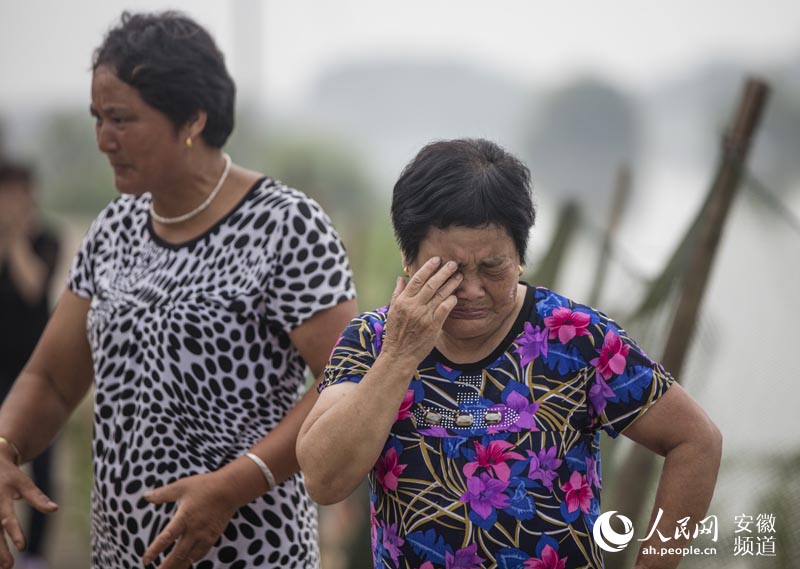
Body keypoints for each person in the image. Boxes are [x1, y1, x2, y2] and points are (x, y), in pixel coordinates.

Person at [0, 11, 357, 569]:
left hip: (249, 551)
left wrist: (233, 486)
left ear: (192, 118)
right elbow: (49, 379)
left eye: (121, 119)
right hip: (122, 554)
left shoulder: (285, 225)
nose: (103, 139)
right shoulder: (114, 228)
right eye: (97, 118)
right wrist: (5, 447)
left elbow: (344, 379)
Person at [297, 138, 723, 569]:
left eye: (492, 267)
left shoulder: (574, 338)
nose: (472, 290)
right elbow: (323, 479)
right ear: (408, 258)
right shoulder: (371, 342)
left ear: (520, 257)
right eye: (448, 269)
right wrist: (400, 355)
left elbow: (696, 441)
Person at [0, 163, 60, 569]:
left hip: (36, 366)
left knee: (44, 464)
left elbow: (33, 285)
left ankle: (34, 554)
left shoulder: (46, 239)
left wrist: (15, 236)